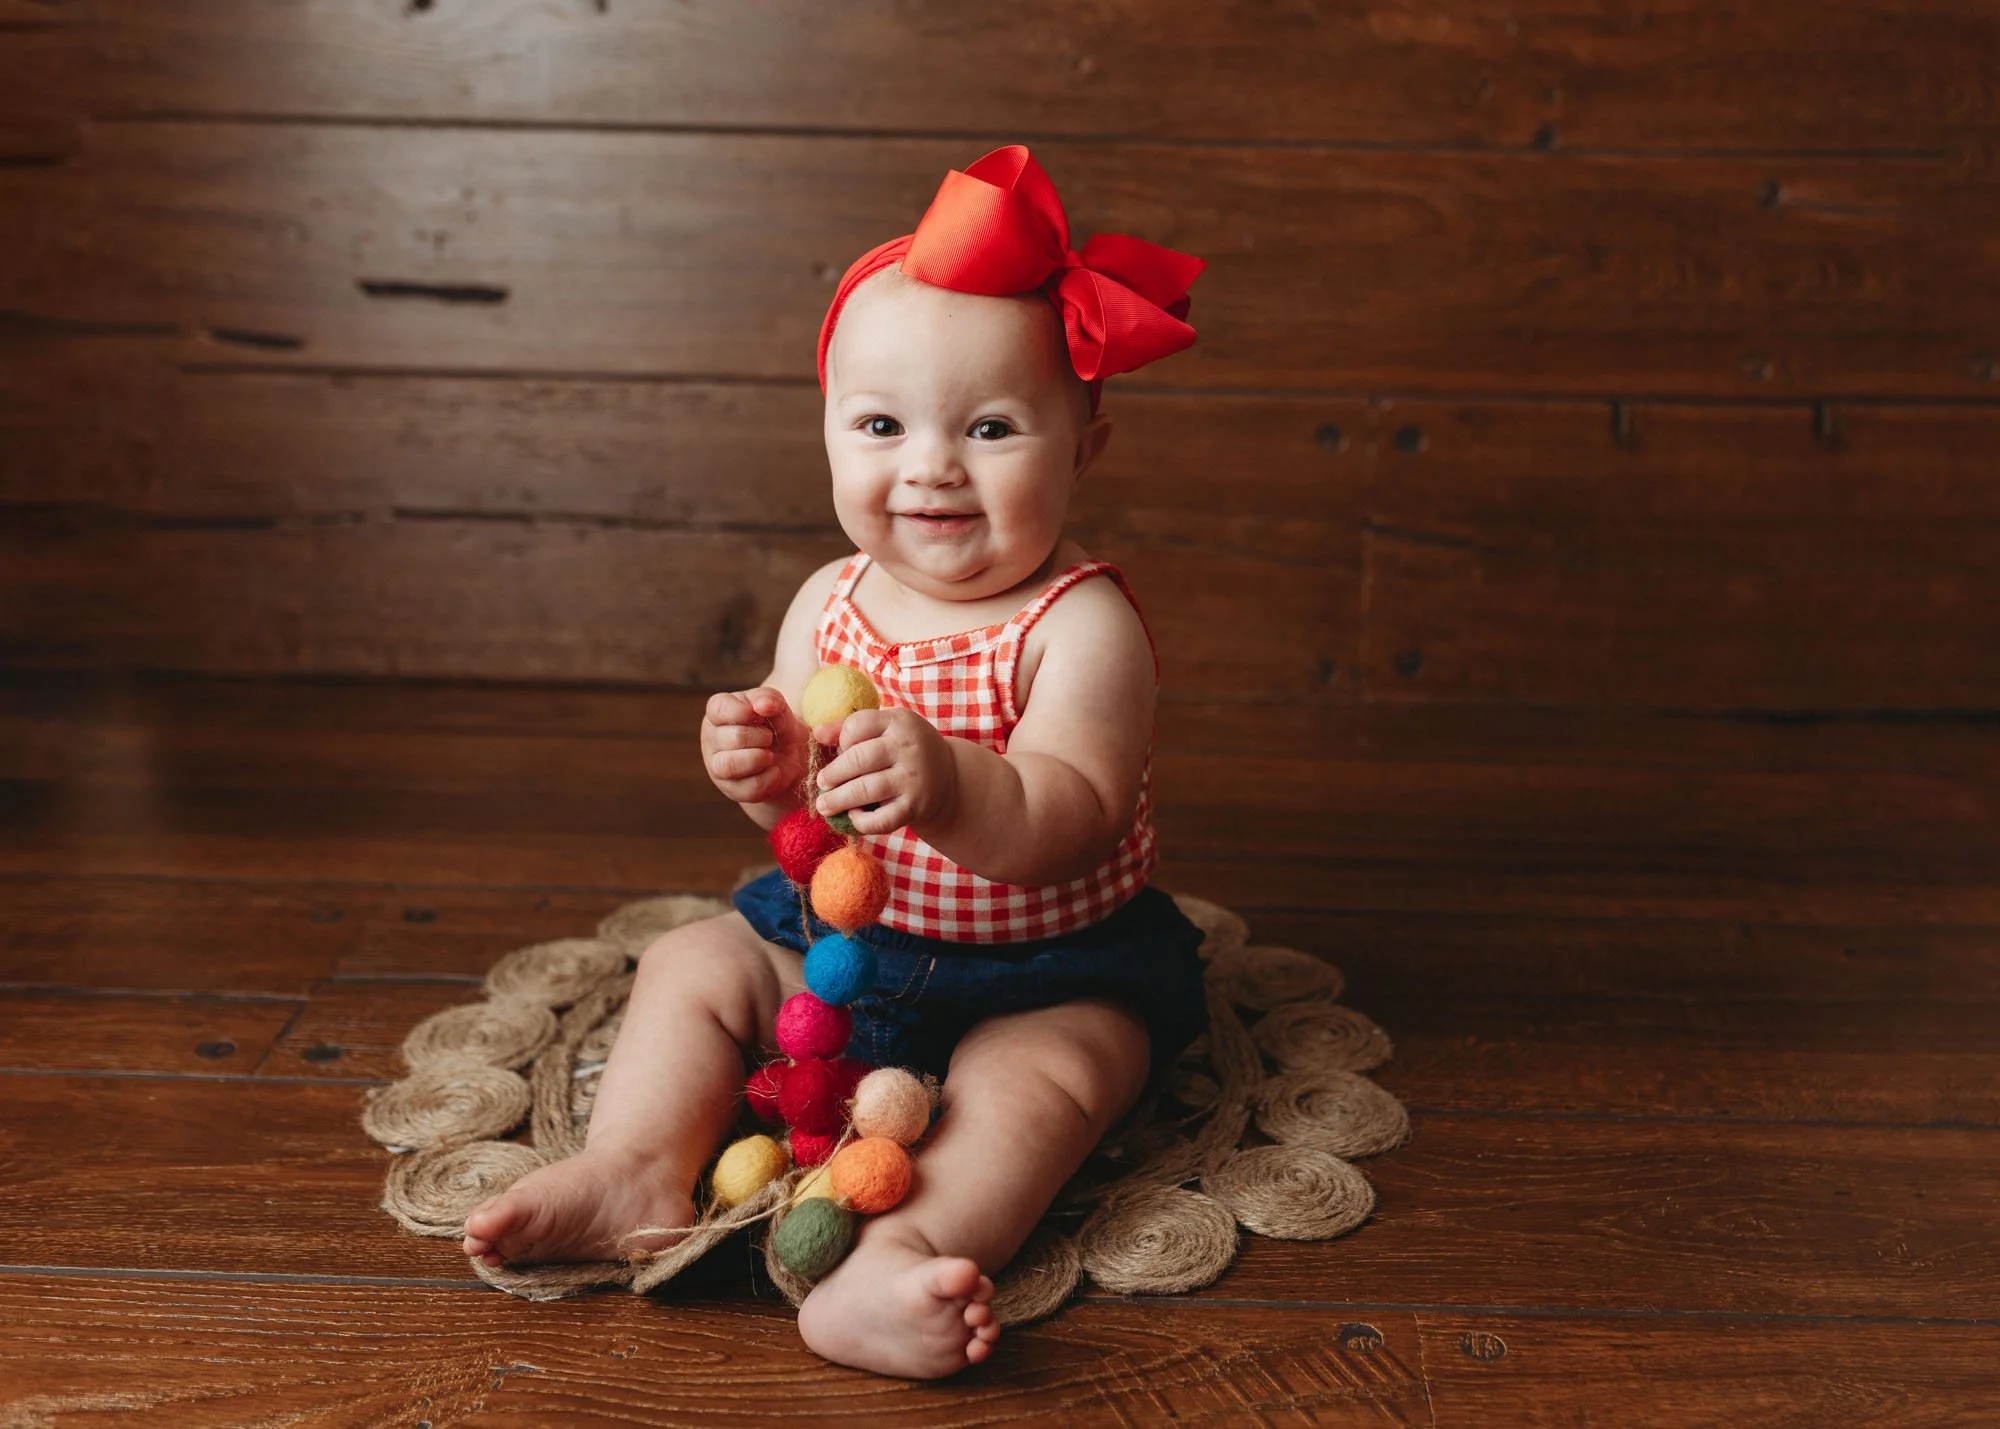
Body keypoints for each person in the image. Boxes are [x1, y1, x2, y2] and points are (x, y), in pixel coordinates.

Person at [462, 145, 1211, 1379]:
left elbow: (1072, 812)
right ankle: (634, 1167)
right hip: (841, 947)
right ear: (825, 431)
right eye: (880, 424)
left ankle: (894, 1256)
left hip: (1041, 962)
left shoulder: (1081, 624)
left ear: (1084, 446)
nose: (928, 464)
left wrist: (955, 781)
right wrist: (761, 764)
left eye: (988, 427)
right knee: (695, 959)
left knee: (1060, 1077)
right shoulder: (830, 598)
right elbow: (810, 805)